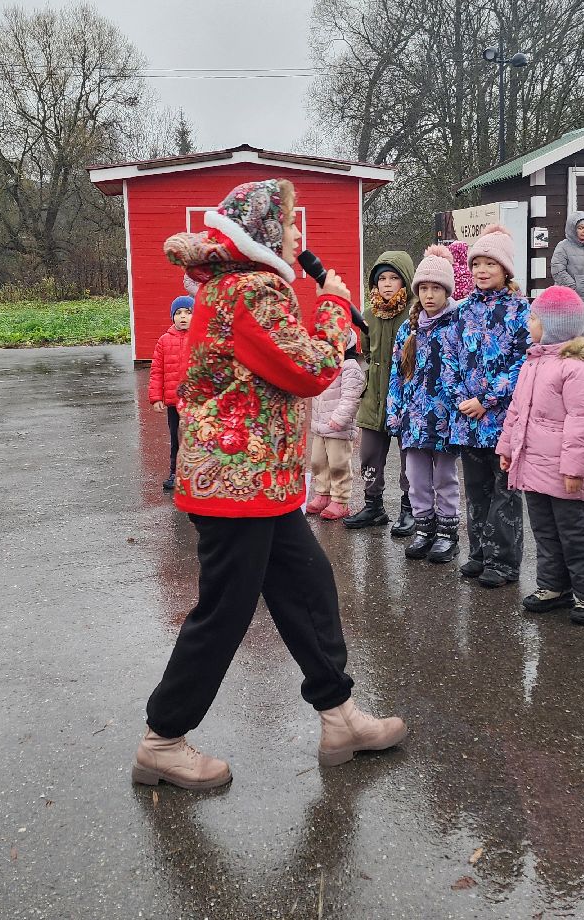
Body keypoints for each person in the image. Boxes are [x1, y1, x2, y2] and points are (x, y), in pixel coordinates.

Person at [135, 178, 406, 791]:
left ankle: (339, 717)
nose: (298, 237)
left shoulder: (236, 286)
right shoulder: (253, 291)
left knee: (307, 586)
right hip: (235, 483)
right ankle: (162, 739)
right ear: (260, 235)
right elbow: (308, 368)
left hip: (260, 482)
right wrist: (336, 307)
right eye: (288, 226)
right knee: (225, 612)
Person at [497, 285, 584, 622]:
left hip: (563, 470)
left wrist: (575, 469)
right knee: (545, 529)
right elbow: (517, 411)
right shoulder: (533, 361)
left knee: (576, 532)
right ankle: (554, 585)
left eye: (534, 317)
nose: (528, 322)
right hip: (532, 465)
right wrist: (507, 449)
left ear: (553, 325)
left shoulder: (577, 367)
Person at [452, 224, 532, 589]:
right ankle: (480, 552)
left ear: (505, 270)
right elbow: (449, 358)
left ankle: (503, 561)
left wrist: (487, 400)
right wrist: (462, 400)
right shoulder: (462, 310)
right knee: (477, 489)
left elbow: (523, 362)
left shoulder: (520, 310)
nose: (482, 270)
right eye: (477, 263)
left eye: (490, 264)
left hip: (502, 419)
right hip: (468, 419)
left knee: (504, 492)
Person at [387, 245, 463, 562]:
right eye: (424, 288)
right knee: (417, 480)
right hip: (414, 419)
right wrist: (394, 413)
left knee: (444, 479)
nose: (429, 295)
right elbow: (396, 373)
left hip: (445, 419)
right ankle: (424, 528)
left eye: (436, 288)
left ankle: (447, 533)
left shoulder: (457, 325)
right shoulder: (409, 328)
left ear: (446, 290)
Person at [344, 250, 416, 534]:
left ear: (406, 281)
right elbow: (367, 349)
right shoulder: (370, 313)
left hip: (406, 396)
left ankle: (410, 508)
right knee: (370, 454)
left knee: (410, 456)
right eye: (381, 278)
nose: (387, 284)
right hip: (374, 396)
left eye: (394, 278)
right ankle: (373, 505)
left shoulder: (414, 313)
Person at [307, 331, 364, 521]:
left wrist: (339, 418)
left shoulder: (350, 368)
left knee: (338, 464)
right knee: (318, 461)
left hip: (338, 427)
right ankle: (323, 494)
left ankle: (340, 500)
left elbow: (351, 397)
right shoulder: (325, 366)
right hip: (320, 425)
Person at [149, 294, 194, 491]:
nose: (183, 316)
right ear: (172, 317)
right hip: (174, 402)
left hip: (196, 404)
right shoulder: (164, 341)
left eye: (188, 312)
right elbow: (157, 370)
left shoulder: (201, 338)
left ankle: (195, 475)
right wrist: (156, 397)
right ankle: (175, 472)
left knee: (196, 439)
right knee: (176, 438)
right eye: (178, 313)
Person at [551, 210, 584, 338]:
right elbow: (558, 270)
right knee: (573, 333)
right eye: (580, 228)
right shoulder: (562, 247)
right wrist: (574, 288)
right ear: (572, 229)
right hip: (572, 299)